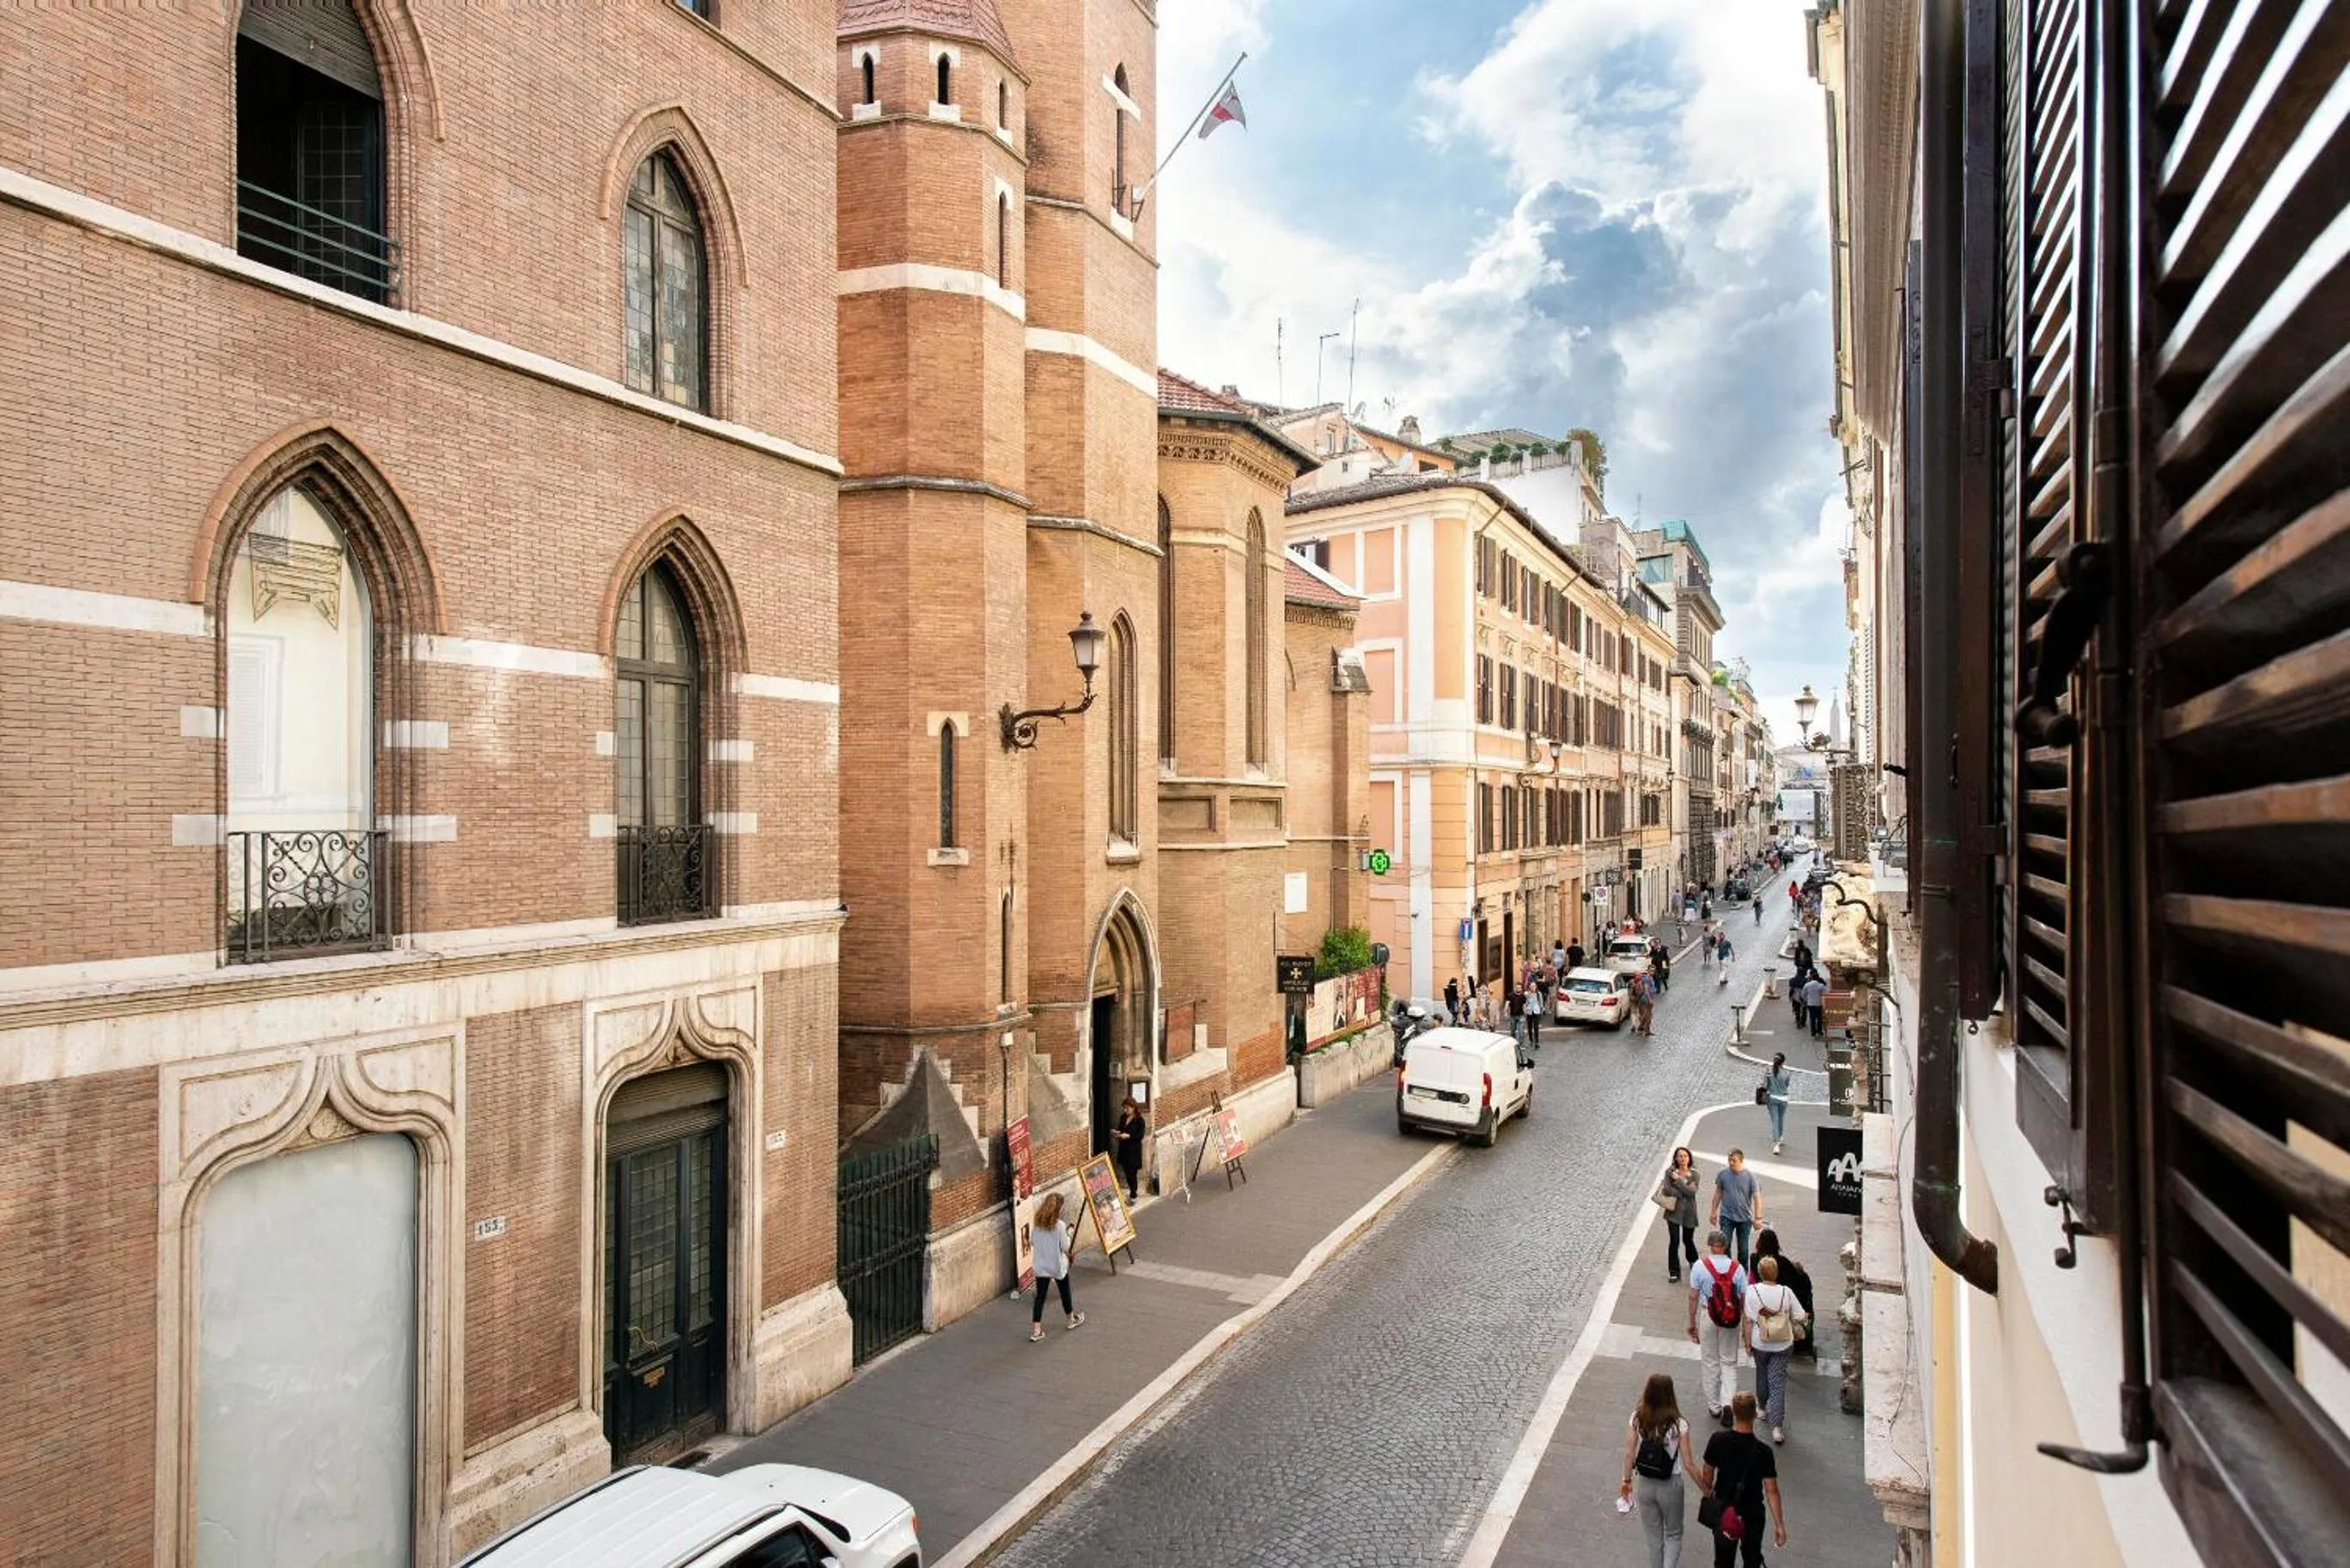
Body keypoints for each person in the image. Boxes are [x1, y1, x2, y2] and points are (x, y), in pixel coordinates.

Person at [1695, 1392, 1787, 1565]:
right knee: (1752, 1559)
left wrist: (1710, 1491)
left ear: (1734, 1413)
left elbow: (1707, 1474)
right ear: (1754, 1415)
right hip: (1752, 1513)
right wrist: (1779, 1524)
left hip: (1724, 1509)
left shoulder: (1718, 1440)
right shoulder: (1764, 1452)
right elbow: (1771, 1491)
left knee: (1723, 1561)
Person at [1620, 1372, 1702, 1568]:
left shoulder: (1637, 1418)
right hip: (1671, 1484)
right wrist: (1706, 1488)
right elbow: (1689, 1463)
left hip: (1645, 1484)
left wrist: (1626, 1481)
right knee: (1673, 1534)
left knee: (1654, 1538)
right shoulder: (1678, 1424)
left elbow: (1629, 1453)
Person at [1744, 1256, 1809, 1445]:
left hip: (1760, 1342)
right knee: (1778, 1383)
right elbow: (1800, 1315)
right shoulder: (1786, 1292)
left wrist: (1747, 1343)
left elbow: (1748, 1320)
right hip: (1783, 1343)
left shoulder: (1752, 1291)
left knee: (1761, 1374)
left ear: (1759, 1273)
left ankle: (1762, 1409)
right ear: (1776, 1273)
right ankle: (1777, 1428)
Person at [1687, 1230, 1749, 1424]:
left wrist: (1691, 1322)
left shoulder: (1699, 1266)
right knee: (1729, 1361)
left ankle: (1714, 1405)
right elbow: (1744, 1299)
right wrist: (1746, 1326)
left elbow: (1693, 1296)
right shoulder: (1736, 1268)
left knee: (1710, 1361)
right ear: (1726, 1245)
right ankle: (1728, 1403)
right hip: (1731, 1319)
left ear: (1710, 1245)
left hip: (1709, 1316)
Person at [1751, 1229, 1817, 1364]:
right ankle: (1802, 1342)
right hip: (1781, 1298)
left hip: (1762, 1299)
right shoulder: (1782, 1262)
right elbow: (1796, 1280)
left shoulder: (1754, 1259)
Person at [1026, 1192, 1085, 1341]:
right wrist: (1068, 1235)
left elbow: (1032, 1242)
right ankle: (1071, 1319)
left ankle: (1036, 1330)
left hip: (1041, 1265)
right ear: (1057, 1209)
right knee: (1065, 1291)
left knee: (1040, 1297)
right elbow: (1065, 1247)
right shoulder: (1060, 1226)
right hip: (1056, 1265)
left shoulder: (1037, 1224)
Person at [1709, 1149, 1763, 1268]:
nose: (1731, 1163)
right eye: (1729, 1160)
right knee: (1725, 1244)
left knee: (1743, 1249)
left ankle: (1742, 1272)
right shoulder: (1723, 1174)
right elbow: (1718, 1192)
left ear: (1741, 1161)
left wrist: (1758, 1218)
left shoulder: (1750, 1177)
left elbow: (1757, 1197)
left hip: (1744, 1219)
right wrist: (1713, 1212)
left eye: (1734, 1160)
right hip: (1726, 1216)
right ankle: (1727, 1269)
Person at [1659, 1146, 1701, 1282]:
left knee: (1688, 1239)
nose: (1683, 1158)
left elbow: (1692, 1193)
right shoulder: (1669, 1172)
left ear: (1689, 1158)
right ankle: (1674, 1272)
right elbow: (1667, 1190)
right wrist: (1682, 1189)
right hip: (1673, 1211)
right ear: (1676, 1158)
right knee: (1674, 1241)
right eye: (1680, 1156)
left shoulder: (1694, 1174)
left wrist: (1678, 1181)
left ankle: (1694, 1262)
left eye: (1685, 1156)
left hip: (1689, 1212)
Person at [1111, 1097, 1148, 1203]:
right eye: (1124, 1108)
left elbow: (1140, 1136)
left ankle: (1133, 1195)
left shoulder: (1139, 1120)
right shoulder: (1123, 1117)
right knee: (1127, 1173)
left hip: (1133, 1151)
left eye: (1127, 1108)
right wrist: (1117, 1133)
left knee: (1132, 1173)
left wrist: (1129, 1136)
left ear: (1133, 1107)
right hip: (1124, 1150)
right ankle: (1132, 1192)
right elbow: (1121, 1129)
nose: (1125, 1110)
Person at [1762, 1054, 1793, 1156]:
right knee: (1780, 1119)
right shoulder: (1787, 1073)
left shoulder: (1769, 1071)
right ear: (1783, 1062)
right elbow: (1787, 1085)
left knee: (1774, 1120)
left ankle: (1776, 1144)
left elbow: (1765, 1085)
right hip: (1783, 1099)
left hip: (1772, 1098)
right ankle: (1780, 1137)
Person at [1800, 973, 1827, 1039]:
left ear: (1811, 978)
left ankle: (1813, 1032)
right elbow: (1824, 994)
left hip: (1810, 1003)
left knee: (1812, 1018)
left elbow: (1803, 994)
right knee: (1819, 1018)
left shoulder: (1807, 985)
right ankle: (1819, 1031)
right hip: (1818, 1003)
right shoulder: (1821, 986)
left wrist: (1807, 1000)